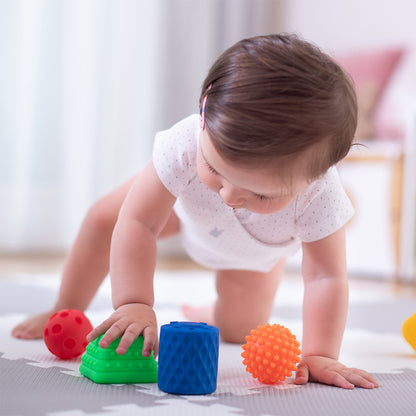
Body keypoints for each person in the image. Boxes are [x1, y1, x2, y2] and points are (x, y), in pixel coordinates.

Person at [12, 33, 379, 389]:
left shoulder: (321, 192)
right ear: (203, 112)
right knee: (104, 219)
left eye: (260, 194)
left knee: (238, 329)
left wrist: (320, 354)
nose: (231, 196)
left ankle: (208, 312)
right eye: (216, 170)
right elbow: (139, 221)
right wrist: (135, 303)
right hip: (186, 210)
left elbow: (325, 278)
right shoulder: (186, 143)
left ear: (316, 175)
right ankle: (65, 305)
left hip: (253, 251)